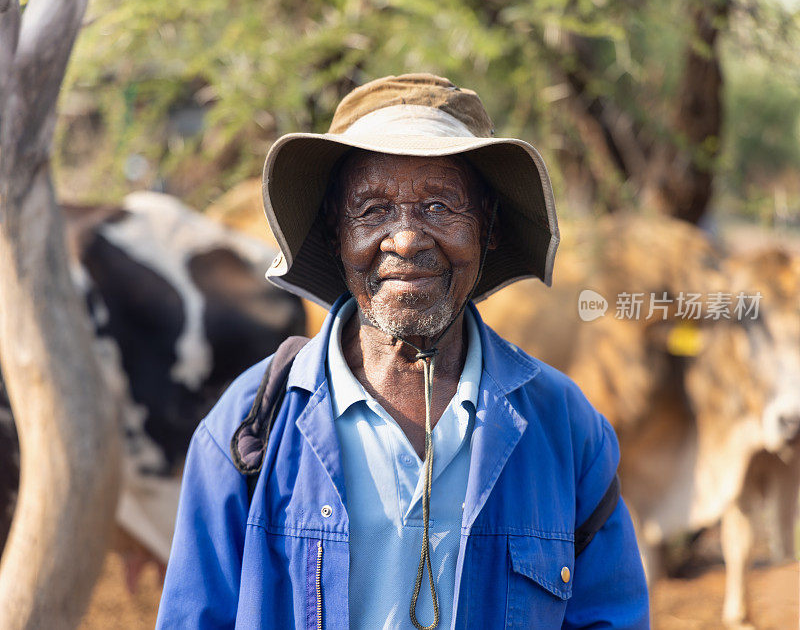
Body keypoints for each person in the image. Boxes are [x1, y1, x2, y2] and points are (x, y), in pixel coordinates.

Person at [156, 74, 649, 629]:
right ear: (334, 231)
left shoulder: (565, 428)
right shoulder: (246, 432)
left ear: (486, 228)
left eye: (440, 205)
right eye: (372, 210)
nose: (408, 239)